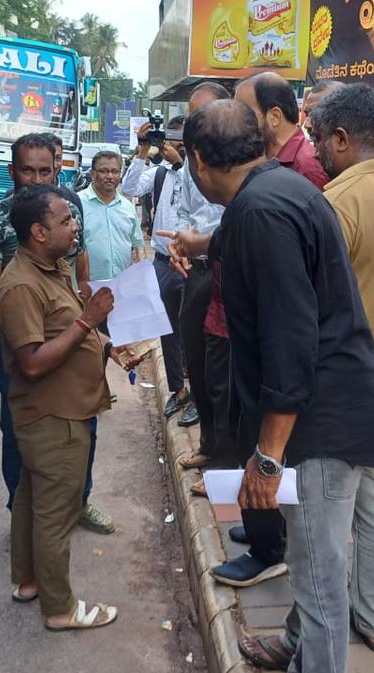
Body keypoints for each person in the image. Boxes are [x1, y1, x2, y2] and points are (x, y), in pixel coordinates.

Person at [238, 82, 374, 669]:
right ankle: (371, 621)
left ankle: (318, 639)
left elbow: (309, 317)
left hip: (340, 397)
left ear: (342, 137)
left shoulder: (335, 204)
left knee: (318, 545)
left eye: (319, 141)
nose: (316, 153)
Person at [185, 98, 374, 673]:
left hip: (316, 425)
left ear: (200, 161)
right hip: (325, 408)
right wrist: (202, 250)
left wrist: (268, 458)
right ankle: (295, 646)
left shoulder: (262, 212)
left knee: (320, 577)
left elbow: (291, 341)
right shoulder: (276, 191)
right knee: (312, 559)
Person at [0, 184, 141, 631]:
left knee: (31, 500)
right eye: (66, 220)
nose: (76, 226)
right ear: (38, 231)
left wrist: (108, 347)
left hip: (63, 409)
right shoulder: (20, 285)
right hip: (53, 416)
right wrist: (88, 321)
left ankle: (28, 582)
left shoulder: (53, 268)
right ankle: (60, 609)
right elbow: (34, 362)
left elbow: (68, 329)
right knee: (57, 513)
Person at [207, 71, 329, 587]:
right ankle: (263, 534)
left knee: (317, 567)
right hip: (262, 357)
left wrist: (270, 456)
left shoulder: (270, 200)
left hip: (299, 381)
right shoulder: (267, 188)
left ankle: (270, 547)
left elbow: (288, 328)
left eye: (245, 108)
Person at [0, 134, 110, 535]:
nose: (35, 179)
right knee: (21, 437)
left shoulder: (67, 215)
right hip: (22, 350)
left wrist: (94, 315)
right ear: (12, 171)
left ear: (56, 169)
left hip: (76, 348)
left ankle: (78, 501)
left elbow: (80, 276)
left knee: (85, 427)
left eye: (44, 171)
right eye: (26, 171)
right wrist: (34, 282)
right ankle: (23, 517)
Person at [173, 81, 234, 469]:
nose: (197, 122)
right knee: (194, 359)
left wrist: (200, 245)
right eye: (193, 114)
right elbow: (182, 212)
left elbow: (236, 223)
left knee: (222, 372)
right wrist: (179, 249)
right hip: (195, 272)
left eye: (205, 114)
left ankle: (225, 459)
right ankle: (209, 444)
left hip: (224, 268)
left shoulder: (239, 164)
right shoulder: (188, 165)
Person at [122, 117, 193, 421]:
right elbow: (130, 186)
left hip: (192, 264)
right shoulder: (160, 173)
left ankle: (198, 399)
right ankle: (177, 391)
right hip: (163, 262)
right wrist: (141, 150)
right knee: (167, 330)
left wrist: (180, 166)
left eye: (179, 141)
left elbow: (201, 199)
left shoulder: (200, 174)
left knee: (196, 332)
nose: (172, 145)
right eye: (169, 139)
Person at [235, 72, 329, 189]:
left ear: (275, 116)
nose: (237, 122)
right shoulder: (260, 158)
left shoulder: (307, 167)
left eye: (245, 114)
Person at [79, 150, 141, 283]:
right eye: (103, 171)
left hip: (120, 287)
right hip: (87, 287)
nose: (110, 176)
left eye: (115, 171)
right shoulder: (77, 204)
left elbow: (137, 247)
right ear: (93, 174)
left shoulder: (128, 207)